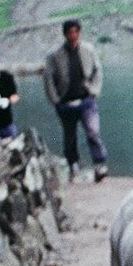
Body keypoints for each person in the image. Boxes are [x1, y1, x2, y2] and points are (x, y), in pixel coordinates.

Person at [42, 19, 107, 180]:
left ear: (79, 32)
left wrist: (94, 91)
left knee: (93, 132)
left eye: (75, 32)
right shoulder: (55, 56)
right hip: (66, 102)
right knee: (69, 136)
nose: (73, 35)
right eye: (69, 32)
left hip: (86, 100)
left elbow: (97, 70)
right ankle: (73, 164)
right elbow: (48, 78)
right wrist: (55, 100)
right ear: (65, 34)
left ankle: (99, 164)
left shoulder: (88, 50)